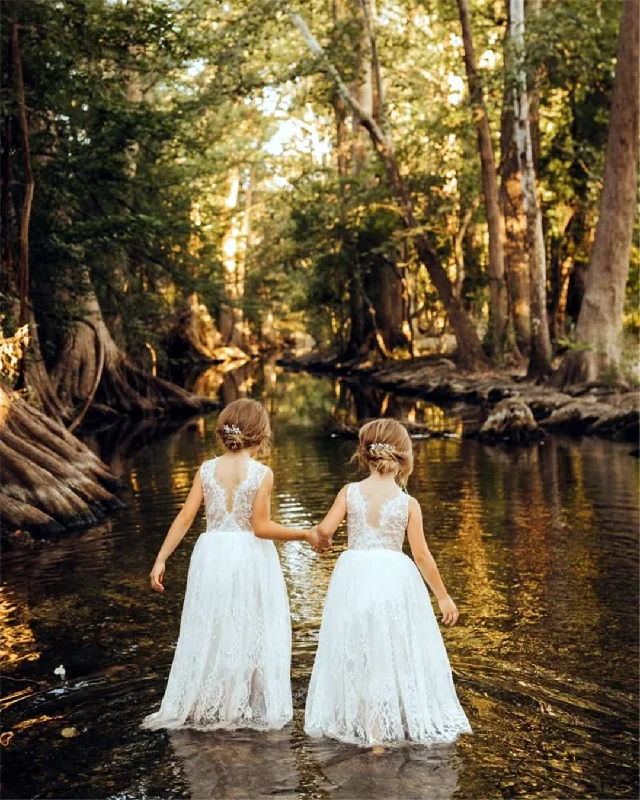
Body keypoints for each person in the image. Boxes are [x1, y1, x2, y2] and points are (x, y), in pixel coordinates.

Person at [142, 398, 320, 731]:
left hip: (210, 556)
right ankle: (238, 706)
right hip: (249, 557)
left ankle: (212, 701)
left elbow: (184, 517)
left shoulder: (206, 469)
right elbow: (261, 527)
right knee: (248, 628)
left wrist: (161, 557)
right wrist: (305, 534)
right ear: (260, 434)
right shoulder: (261, 474)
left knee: (212, 626)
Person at [304, 418, 472, 747]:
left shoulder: (349, 493)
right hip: (396, 582)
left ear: (364, 455)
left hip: (354, 580)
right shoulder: (409, 504)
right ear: (404, 457)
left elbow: (324, 531)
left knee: (360, 652)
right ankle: (385, 734)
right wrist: (443, 597)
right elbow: (422, 555)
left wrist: (323, 544)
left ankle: (368, 729)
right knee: (392, 653)